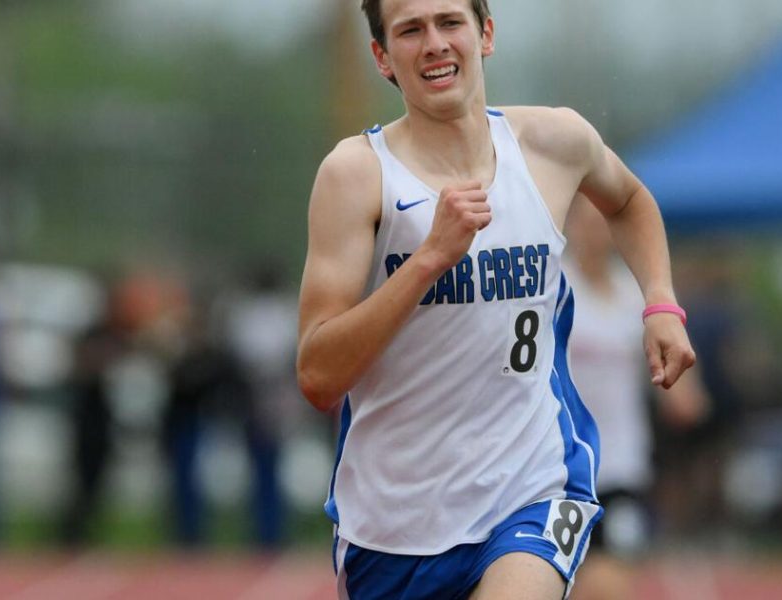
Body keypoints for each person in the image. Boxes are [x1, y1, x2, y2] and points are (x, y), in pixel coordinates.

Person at [296, 1, 695, 597]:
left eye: (450, 22)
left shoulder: (554, 142)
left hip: (531, 487)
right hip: (394, 524)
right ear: (382, 57)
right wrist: (428, 260)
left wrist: (660, 303)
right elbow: (318, 375)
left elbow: (630, 200)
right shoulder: (356, 175)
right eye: (411, 30)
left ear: (485, 34)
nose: (435, 43)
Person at [563, 197, 708, 600]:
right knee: (564, 582)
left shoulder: (634, 296)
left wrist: (682, 392)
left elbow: (673, 371)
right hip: (561, 467)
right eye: (587, 222)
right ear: (570, 224)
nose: (595, 233)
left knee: (610, 582)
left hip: (621, 466)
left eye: (602, 223)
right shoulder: (554, 288)